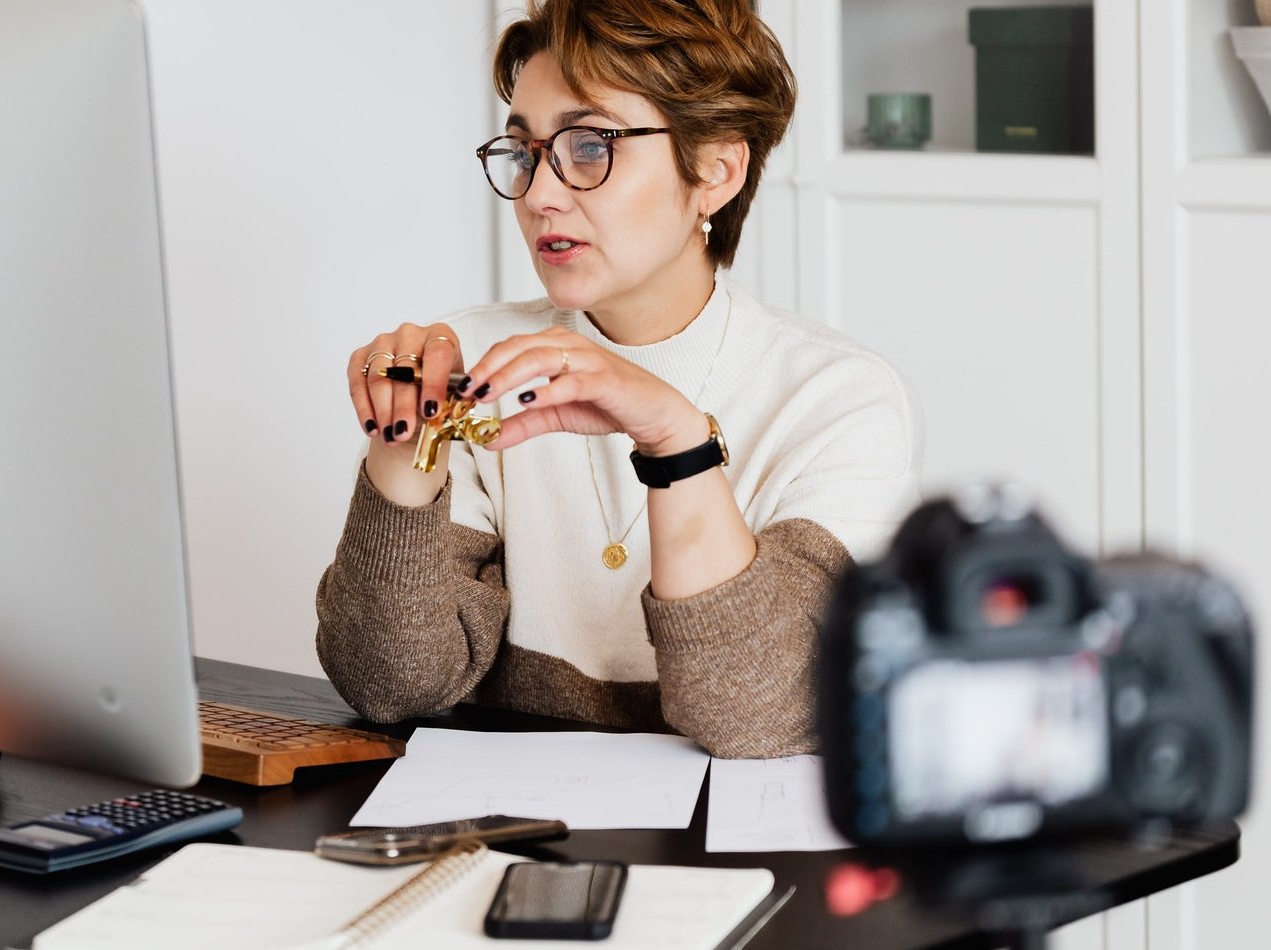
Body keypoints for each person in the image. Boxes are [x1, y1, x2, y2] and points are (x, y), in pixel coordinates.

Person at [316, 0, 918, 758]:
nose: (539, 194)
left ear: (715, 170)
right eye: (525, 152)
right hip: (513, 838)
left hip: (733, 858)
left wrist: (676, 442)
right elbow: (389, 686)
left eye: (591, 145)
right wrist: (401, 453)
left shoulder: (837, 400)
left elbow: (760, 715)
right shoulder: (474, 360)